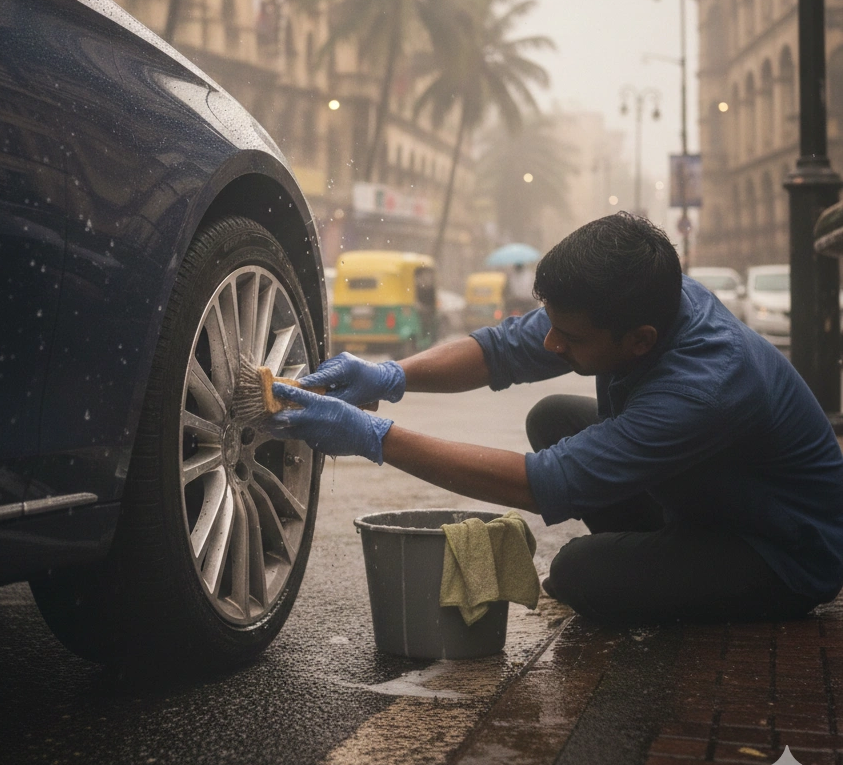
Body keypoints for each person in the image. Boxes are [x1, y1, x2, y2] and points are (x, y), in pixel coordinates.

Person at [269, 213, 843, 624]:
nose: (550, 342)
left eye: (567, 336)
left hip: (779, 549)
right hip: (713, 493)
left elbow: (546, 484)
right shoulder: (651, 298)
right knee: (554, 416)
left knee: (578, 574)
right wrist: (390, 376)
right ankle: (665, 554)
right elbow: (503, 349)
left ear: (640, 341)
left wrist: (372, 437)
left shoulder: (705, 388)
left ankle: (675, 565)